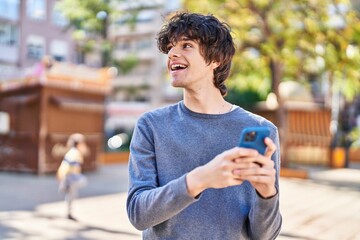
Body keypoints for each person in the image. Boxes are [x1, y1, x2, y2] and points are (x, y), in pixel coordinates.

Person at [127, 12, 282, 239]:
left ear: (215, 59)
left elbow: (265, 236)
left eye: (186, 45)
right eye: (170, 47)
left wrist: (268, 194)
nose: (172, 53)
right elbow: (138, 214)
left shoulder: (262, 130)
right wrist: (199, 180)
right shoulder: (151, 126)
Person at [57, 133, 88, 221]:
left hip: (69, 177)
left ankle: (68, 212)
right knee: (71, 195)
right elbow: (68, 166)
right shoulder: (75, 153)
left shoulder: (73, 152)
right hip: (70, 177)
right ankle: (68, 212)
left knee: (71, 195)